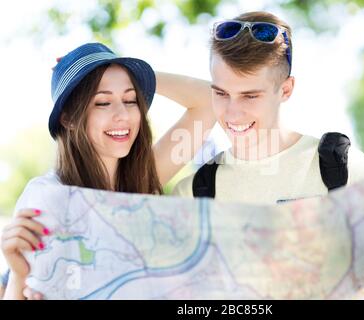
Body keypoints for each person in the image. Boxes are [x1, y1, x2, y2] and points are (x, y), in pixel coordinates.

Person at [171, 11, 364, 294]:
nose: (232, 112)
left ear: (286, 89)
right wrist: (128, 72)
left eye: (250, 95)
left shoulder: (342, 169)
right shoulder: (193, 194)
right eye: (220, 93)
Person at [0, 42, 215, 299]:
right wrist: (18, 276)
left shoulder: (141, 183)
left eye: (130, 99)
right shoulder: (48, 195)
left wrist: (133, 73)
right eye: (103, 103)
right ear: (68, 117)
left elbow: (210, 101)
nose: (122, 114)